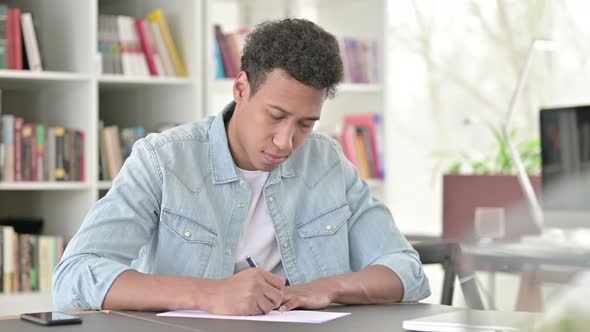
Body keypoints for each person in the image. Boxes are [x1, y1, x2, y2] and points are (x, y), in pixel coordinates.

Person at [53, 18, 430, 315]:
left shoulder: (328, 161)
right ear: (240, 89)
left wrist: (326, 288)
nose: (286, 141)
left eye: (305, 123)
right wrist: (211, 294)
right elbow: (74, 277)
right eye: (275, 115)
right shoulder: (163, 159)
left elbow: (406, 271)